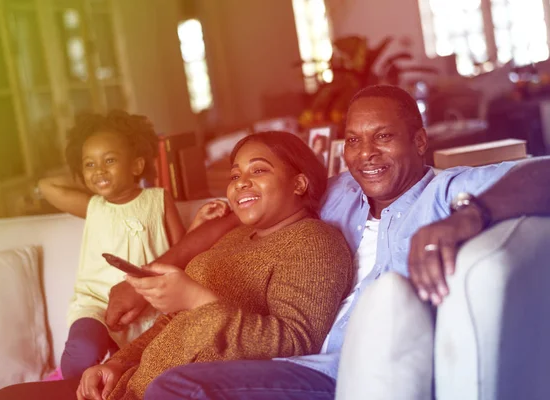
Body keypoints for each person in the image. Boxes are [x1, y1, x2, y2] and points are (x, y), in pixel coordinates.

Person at [134, 85, 549, 399]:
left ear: (419, 142)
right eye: (353, 140)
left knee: (179, 388)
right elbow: (237, 215)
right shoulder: (339, 191)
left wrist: (469, 216)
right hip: (298, 362)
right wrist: (145, 279)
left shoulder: (444, 192)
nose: (365, 154)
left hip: (357, 374)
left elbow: (543, 173)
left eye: (383, 136)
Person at [0, 131, 354, 400]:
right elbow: (169, 323)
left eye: (258, 171)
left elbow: (295, 343)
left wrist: (199, 301)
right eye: (234, 175)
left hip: (183, 390)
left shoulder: (314, 242)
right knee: (6, 397)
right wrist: (116, 365)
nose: (241, 182)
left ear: (300, 182)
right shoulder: (232, 238)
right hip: (130, 385)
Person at [37, 110, 186, 380]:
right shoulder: (93, 206)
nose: (99, 170)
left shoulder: (158, 200)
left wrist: (200, 221)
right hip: (97, 305)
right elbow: (47, 186)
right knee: (79, 358)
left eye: (110, 160)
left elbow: (182, 250)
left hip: (151, 308)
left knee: (150, 372)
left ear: (137, 166)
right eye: (89, 164)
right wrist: (89, 176)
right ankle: (64, 374)